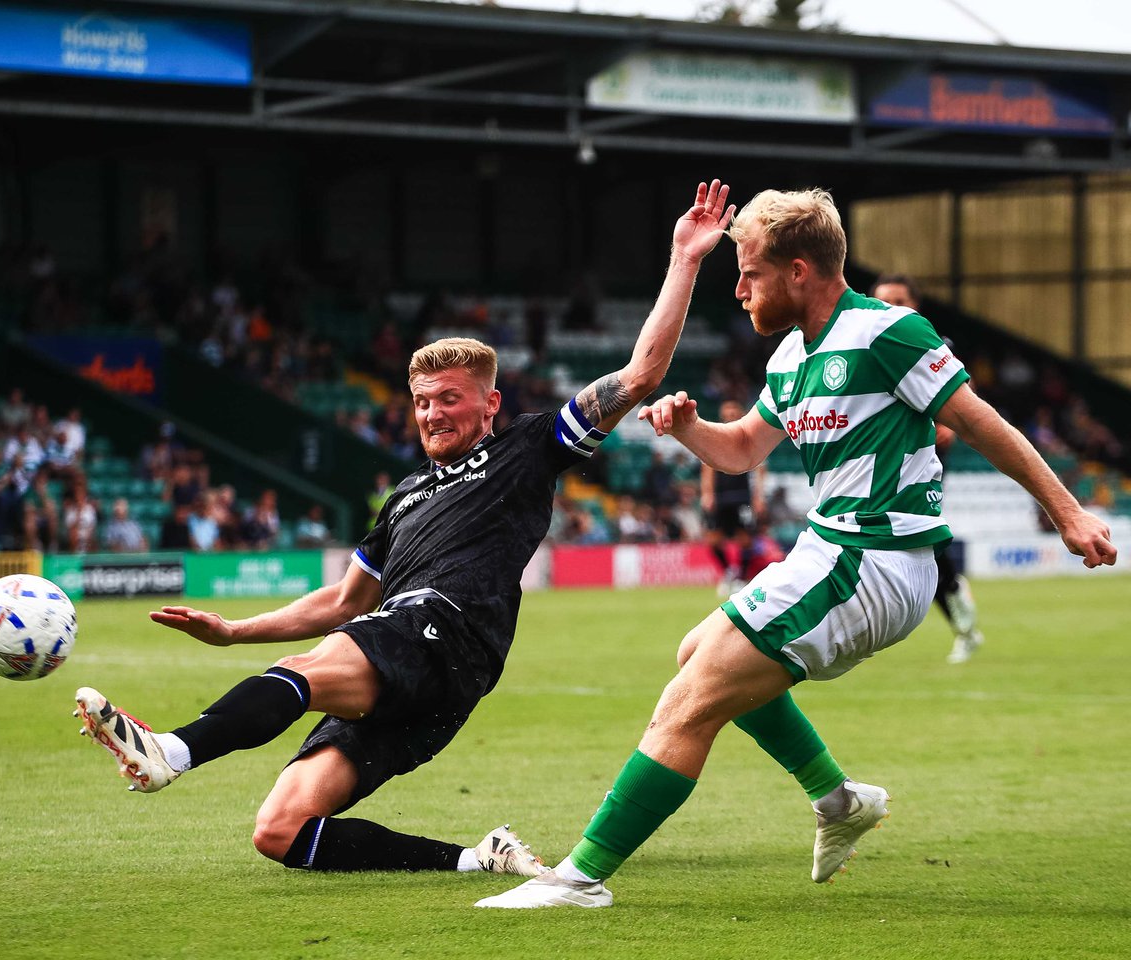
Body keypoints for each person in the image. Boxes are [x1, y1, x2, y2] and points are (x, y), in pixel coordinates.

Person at [71, 181, 738, 878]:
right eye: (422, 401)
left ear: (491, 403)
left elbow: (641, 374)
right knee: (281, 831)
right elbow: (343, 601)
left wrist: (685, 259)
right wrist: (235, 631)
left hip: (446, 633)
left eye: (449, 398)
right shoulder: (405, 496)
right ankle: (478, 859)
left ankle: (172, 752)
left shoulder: (527, 448)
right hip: (412, 667)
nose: (431, 413)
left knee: (306, 670)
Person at [478, 186, 1117, 909]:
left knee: (693, 697)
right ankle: (837, 799)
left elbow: (978, 421)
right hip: (831, 550)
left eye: (750, 273)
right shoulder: (789, 355)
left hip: (873, 560)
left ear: (800, 271)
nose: (740, 290)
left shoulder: (886, 332)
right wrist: (687, 428)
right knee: (696, 654)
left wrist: (1068, 512)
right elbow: (743, 450)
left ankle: (579, 879)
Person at [870, 274, 983, 663]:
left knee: (919, 540)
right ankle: (956, 601)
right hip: (881, 458)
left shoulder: (933, 345)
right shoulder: (864, 346)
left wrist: (948, 423)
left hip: (921, 459)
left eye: (899, 300)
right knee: (918, 548)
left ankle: (958, 610)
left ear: (916, 306)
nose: (891, 308)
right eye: (883, 301)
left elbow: (960, 394)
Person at [701, 399, 767, 596]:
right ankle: (729, 572)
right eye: (726, 413)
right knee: (713, 540)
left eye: (733, 413)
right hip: (720, 495)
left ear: (741, 414)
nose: (729, 416)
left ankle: (741, 578)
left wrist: (758, 497)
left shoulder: (750, 437)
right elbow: (707, 468)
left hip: (742, 495)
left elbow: (760, 470)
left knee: (745, 538)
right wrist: (707, 493)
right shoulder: (714, 437)